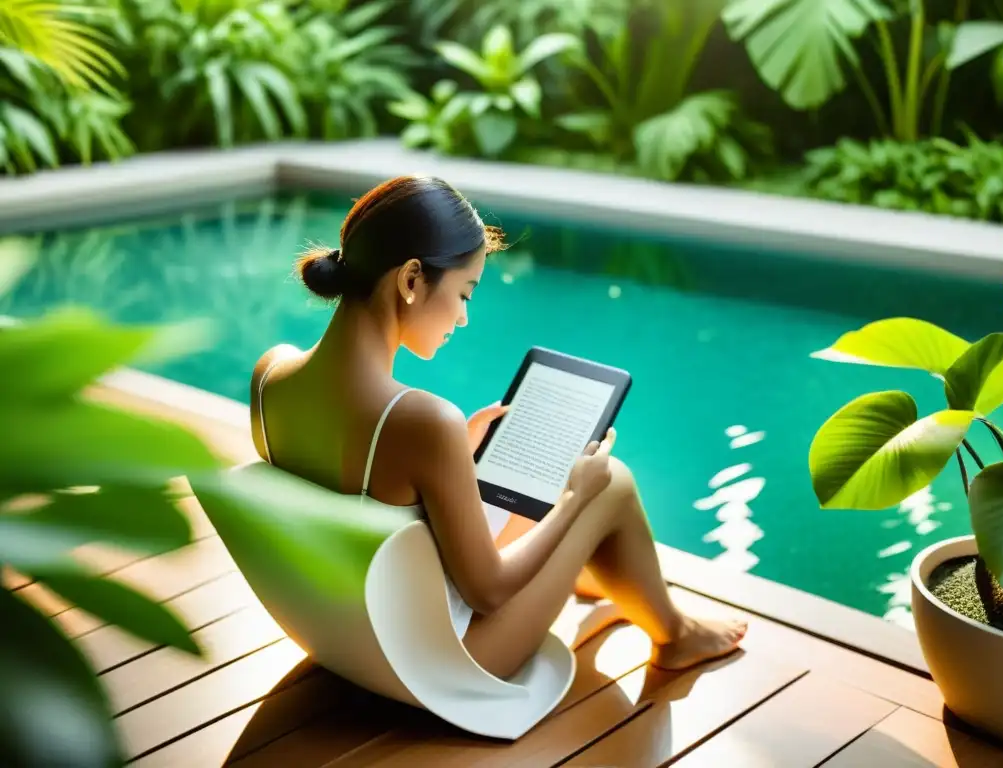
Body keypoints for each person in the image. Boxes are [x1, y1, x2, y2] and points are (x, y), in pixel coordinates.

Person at [249, 175, 746, 681]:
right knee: (608, 481)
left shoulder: (270, 373)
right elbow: (487, 591)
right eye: (465, 293)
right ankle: (675, 635)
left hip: (340, 634)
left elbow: (346, 488)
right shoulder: (420, 419)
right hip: (442, 664)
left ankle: (601, 566)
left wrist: (456, 448)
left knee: (519, 497)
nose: (463, 318)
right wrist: (576, 496)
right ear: (411, 280)